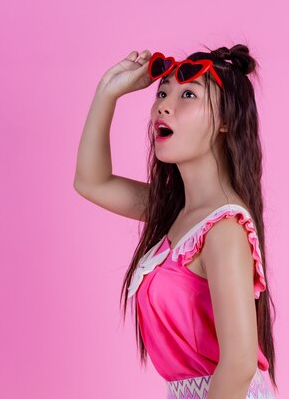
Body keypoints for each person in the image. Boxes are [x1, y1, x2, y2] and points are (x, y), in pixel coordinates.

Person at [73, 45, 278, 399]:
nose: (163, 105)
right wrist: (108, 91)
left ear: (226, 120)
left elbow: (240, 364)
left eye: (188, 94)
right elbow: (92, 182)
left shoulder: (225, 230)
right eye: (163, 93)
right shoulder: (177, 213)